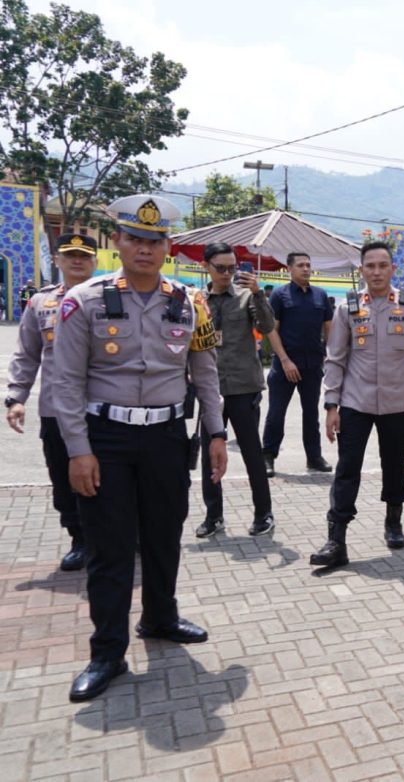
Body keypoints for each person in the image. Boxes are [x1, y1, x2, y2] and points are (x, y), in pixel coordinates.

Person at [52, 195, 227, 702]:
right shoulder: (83, 301)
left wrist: (215, 434)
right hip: (104, 438)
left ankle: (160, 617)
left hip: (168, 437)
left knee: (163, 534)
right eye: (135, 239)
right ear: (118, 243)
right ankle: (107, 650)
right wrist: (77, 450)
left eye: (154, 241)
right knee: (109, 548)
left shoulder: (188, 302)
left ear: (166, 246)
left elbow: (205, 374)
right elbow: (65, 383)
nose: (145, 249)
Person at [310, 241, 404, 568]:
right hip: (355, 403)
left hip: (397, 403)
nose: (376, 271)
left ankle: (394, 521)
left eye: (382, 265)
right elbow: (335, 358)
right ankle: (337, 540)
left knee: (394, 464)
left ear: (392, 269)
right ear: (361, 270)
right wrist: (331, 405)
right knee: (347, 469)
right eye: (370, 266)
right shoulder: (347, 307)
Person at [6, 233, 98, 570]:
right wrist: (16, 397)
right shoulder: (40, 303)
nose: (77, 261)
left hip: (101, 407)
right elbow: (27, 354)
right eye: (70, 255)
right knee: (65, 479)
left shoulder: (112, 299)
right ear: (57, 260)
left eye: (84, 256)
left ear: (95, 262)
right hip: (56, 408)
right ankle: (79, 540)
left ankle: (118, 537)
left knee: (112, 478)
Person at [195, 242, 276, 538]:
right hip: (210, 390)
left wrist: (257, 293)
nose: (227, 273)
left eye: (232, 268)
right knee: (210, 455)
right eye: (221, 268)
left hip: (243, 387)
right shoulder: (197, 300)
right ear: (206, 266)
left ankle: (263, 514)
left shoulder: (245, 297)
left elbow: (267, 327)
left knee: (252, 453)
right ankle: (214, 515)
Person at [261, 252, 333, 476]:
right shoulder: (280, 296)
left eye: (308, 265)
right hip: (284, 365)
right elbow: (272, 330)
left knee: (311, 415)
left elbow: (329, 329)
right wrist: (284, 360)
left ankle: (314, 458)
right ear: (289, 269)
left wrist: (326, 355)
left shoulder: (320, 295)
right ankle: (268, 457)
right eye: (300, 265)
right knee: (276, 414)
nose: (305, 269)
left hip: (312, 366)